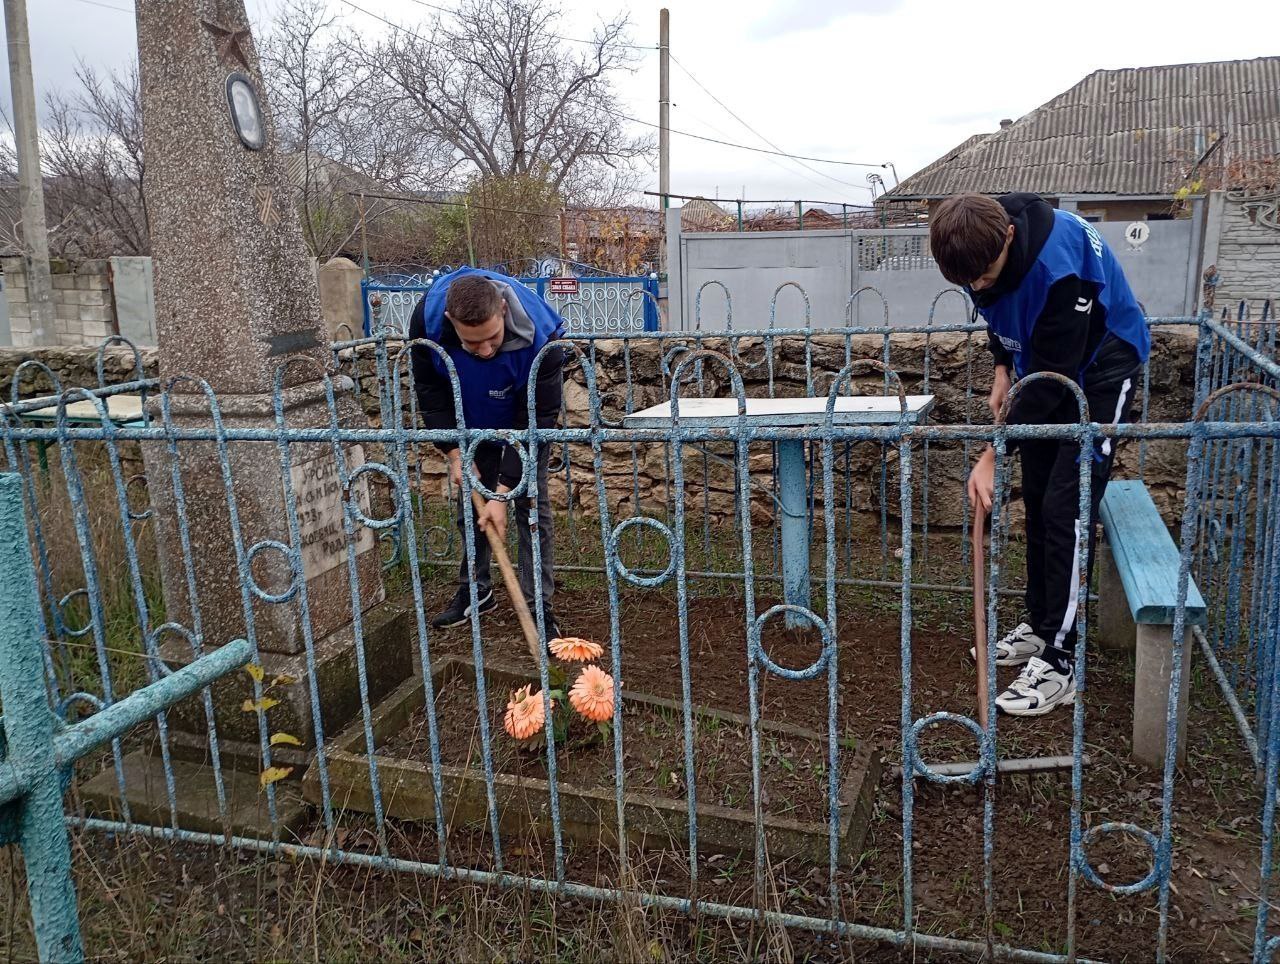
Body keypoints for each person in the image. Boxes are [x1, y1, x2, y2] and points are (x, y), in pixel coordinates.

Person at [930, 193, 1150, 716]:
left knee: (1065, 509)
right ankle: (1041, 623)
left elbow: (1054, 381)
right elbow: (1001, 314)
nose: (976, 288)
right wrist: (1002, 368)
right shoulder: (979, 235)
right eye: (966, 282)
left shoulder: (1061, 272)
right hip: (1044, 366)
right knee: (1037, 497)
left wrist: (992, 453)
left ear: (1008, 237)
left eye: (983, 276)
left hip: (1101, 368)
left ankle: (1061, 659)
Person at [409, 267, 566, 640]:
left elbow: (537, 417)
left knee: (531, 508)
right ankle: (476, 591)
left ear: (503, 310)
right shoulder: (426, 322)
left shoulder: (543, 337)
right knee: (471, 507)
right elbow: (430, 390)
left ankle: (537, 607)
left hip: (522, 420)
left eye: (492, 338)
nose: (485, 350)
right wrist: (454, 453)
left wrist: (503, 490)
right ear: (451, 320)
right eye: (472, 342)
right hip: (471, 423)